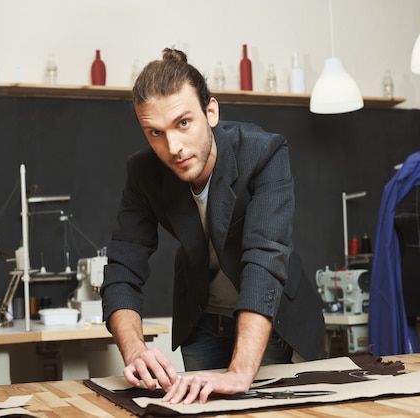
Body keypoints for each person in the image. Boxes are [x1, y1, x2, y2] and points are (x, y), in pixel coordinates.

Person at [100, 48, 325, 405]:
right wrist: (135, 351)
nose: (173, 147)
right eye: (154, 132)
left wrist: (239, 372)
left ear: (211, 111)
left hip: (271, 320)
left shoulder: (263, 152)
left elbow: (265, 257)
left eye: (183, 123)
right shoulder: (143, 173)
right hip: (202, 321)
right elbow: (123, 268)